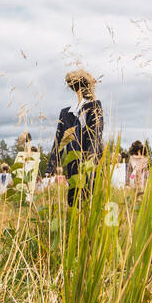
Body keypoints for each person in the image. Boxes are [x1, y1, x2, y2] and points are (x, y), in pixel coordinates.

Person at [49, 69, 104, 206]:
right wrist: (51, 166)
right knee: (74, 200)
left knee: (92, 197)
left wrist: (91, 159)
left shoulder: (95, 106)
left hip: (91, 163)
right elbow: (59, 140)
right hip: (73, 163)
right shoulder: (66, 113)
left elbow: (97, 134)